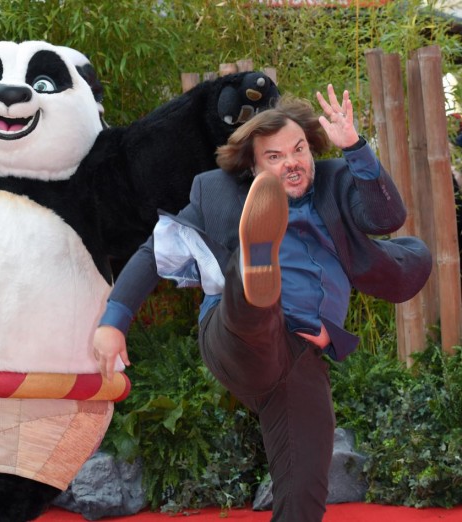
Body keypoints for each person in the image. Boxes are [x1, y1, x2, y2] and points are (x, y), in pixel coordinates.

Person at [93, 85, 432, 522]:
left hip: (300, 353)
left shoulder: (335, 183)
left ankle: (260, 277)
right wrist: (113, 321)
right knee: (248, 301)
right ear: (252, 169)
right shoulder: (216, 193)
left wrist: (355, 147)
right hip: (234, 335)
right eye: (274, 157)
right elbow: (152, 254)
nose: (292, 162)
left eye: (299, 149)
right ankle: (255, 264)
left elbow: (387, 218)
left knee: (305, 488)